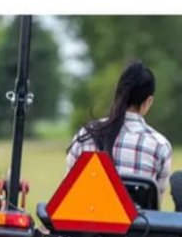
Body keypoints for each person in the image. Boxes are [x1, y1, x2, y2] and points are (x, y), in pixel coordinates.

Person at [65, 60, 174, 207]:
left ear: (119, 93)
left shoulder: (86, 134)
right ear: (148, 101)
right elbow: (154, 205)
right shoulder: (160, 146)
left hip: (88, 228)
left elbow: (68, 195)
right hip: (138, 230)